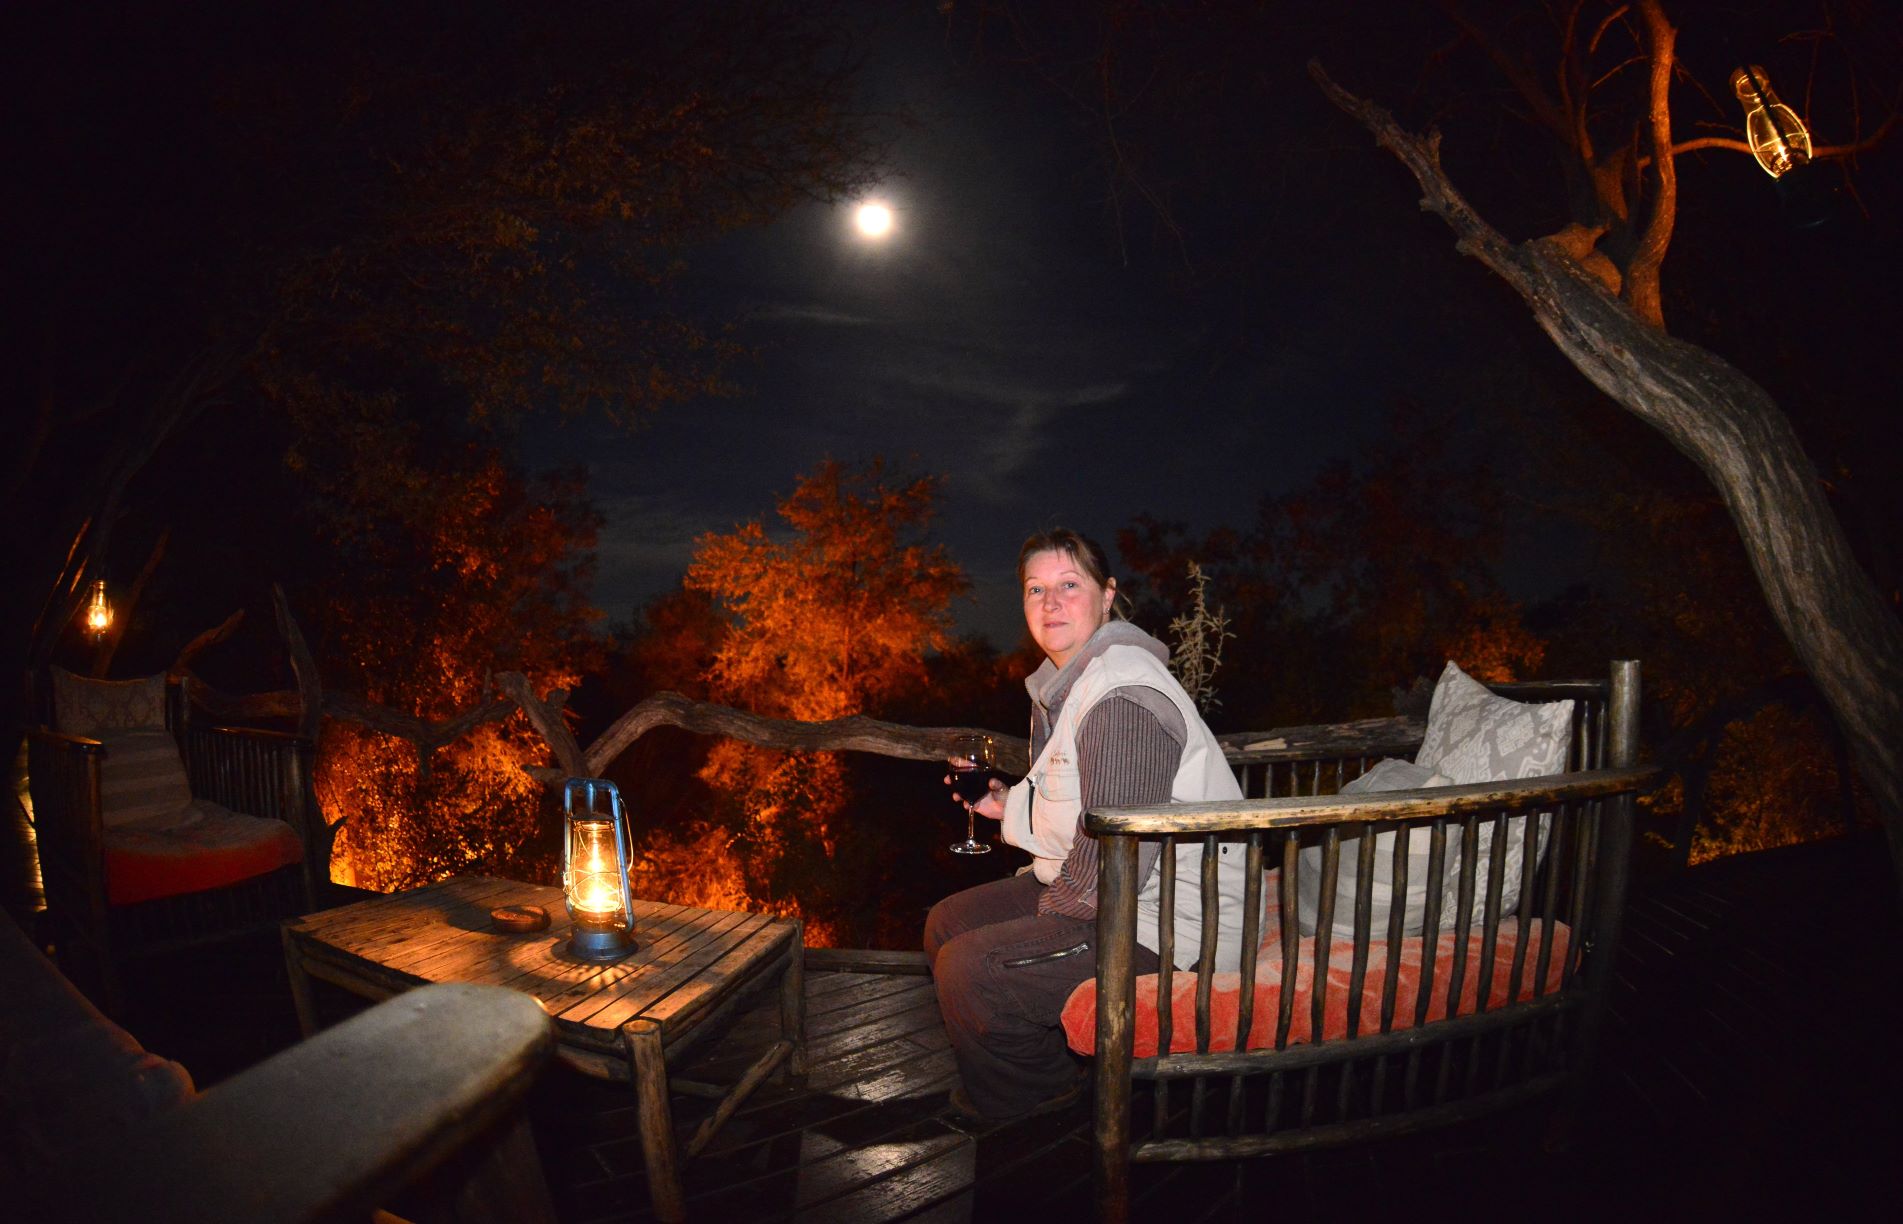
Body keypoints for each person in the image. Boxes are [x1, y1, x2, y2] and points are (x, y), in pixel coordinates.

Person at [923, 528, 1252, 1123]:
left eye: (1069, 585)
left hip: (1172, 928)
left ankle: (1041, 1106)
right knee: (947, 923)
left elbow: (1113, 861)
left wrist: (1035, 925)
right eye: (1035, 589)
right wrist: (1007, 807)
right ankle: (1035, 1061)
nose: (1050, 603)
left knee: (972, 968)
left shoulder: (1120, 692)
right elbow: (1077, 803)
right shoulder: (1069, 683)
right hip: (1125, 893)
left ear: (1107, 597)